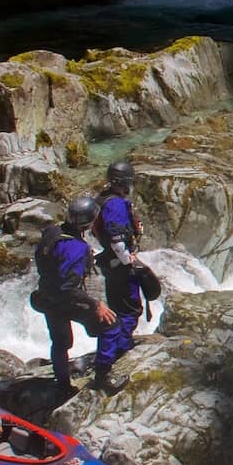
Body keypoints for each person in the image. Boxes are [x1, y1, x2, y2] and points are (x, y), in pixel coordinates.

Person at [30, 196, 117, 397]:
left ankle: (62, 384)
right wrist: (96, 304)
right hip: (65, 299)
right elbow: (68, 287)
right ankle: (104, 377)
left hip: (46, 296)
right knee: (110, 324)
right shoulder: (77, 248)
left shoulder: (52, 231)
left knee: (61, 343)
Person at [90, 160, 146, 395]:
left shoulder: (104, 198)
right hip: (120, 266)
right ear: (123, 182)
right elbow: (116, 238)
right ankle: (118, 355)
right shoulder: (115, 205)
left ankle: (116, 351)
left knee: (118, 306)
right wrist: (129, 261)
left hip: (111, 264)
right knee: (129, 309)